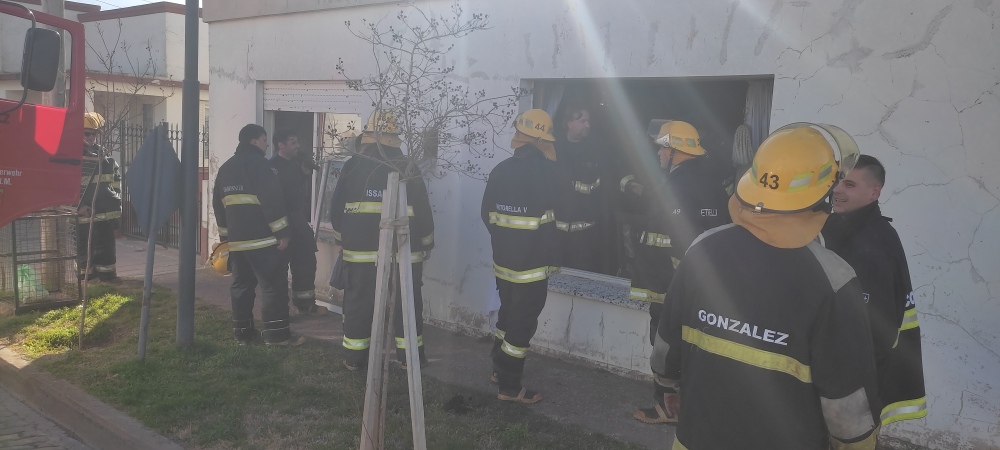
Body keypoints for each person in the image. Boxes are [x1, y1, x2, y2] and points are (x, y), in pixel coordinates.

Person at [651, 123, 881, 449]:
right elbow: (849, 407)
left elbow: (665, 348)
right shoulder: (834, 279)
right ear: (824, 195)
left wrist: (666, 387)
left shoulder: (703, 249)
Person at [632, 120, 731, 424]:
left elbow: (681, 241)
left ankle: (667, 408)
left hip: (669, 284)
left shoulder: (677, 186)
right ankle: (692, 404)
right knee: (695, 344)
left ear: (677, 152)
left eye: (663, 147)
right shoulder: (713, 185)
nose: (659, 153)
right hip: (701, 287)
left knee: (666, 345)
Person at [822, 155, 927, 426]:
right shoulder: (833, 226)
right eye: (836, 182)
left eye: (849, 184)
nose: (837, 190)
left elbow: (873, 335)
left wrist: (843, 389)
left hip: (852, 388)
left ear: (874, 192)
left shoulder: (874, 245)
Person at [329, 111, 435, 371]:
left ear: (370, 136)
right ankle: (410, 358)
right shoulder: (407, 167)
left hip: (359, 253)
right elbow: (422, 208)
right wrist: (427, 242)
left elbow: (336, 208)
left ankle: (355, 359)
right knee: (406, 304)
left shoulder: (352, 165)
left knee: (358, 303)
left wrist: (344, 239)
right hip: (404, 251)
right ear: (394, 138)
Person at [482, 109, 563, 404]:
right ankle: (510, 386)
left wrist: (506, 242)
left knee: (507, 316)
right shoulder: (546, 175)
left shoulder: (500, 170)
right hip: (532, 268)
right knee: (521, 324)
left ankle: (498, 369)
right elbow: (554, 223)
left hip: (503, 264)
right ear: (543, 142)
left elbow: (487, 215)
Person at [213, 124, 302, 346]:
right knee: (273, 286)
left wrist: (226, 239)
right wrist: (282, 232)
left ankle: (243, 334)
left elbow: (219, 206)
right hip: (263, 240)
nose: (266, 144)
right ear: (254, 141)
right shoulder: (261, 165)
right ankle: (277, 335)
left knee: (241, 286)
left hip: (237, 243)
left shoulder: (226, 168)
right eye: (263, 140)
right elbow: (272, 201)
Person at [270, 129, 321, 316]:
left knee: (306, 258)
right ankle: (280, 311)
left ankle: (306, 304)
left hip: (297, 217)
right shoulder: (272, 167)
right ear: (281, 145)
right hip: (281, 219)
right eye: (293, 142)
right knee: (280, 266)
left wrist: (305, 173)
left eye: (297, 141)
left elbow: (297, 190)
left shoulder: (295, 165)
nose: (298, 146)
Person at [553, 103, 606, 273]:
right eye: (583, 121)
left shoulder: (596, 150)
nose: (588, 125)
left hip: (586, 237)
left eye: (588, 121)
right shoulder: (552, 149)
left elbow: (605, 188)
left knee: (583, 278)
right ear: (569, 123)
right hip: (556, 234)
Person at [77, 112, 123, 284]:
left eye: (94, 133)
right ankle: (86, 278)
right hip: (84, 214)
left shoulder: (103, 155)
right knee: (85, 249)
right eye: (87, 133)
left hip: (106, 212)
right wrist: (77, 208)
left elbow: (116, 181)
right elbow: (66, 187)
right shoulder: (74, 157)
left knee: (107, 247)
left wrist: (116, 205)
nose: (92, 137)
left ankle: (108, 276)